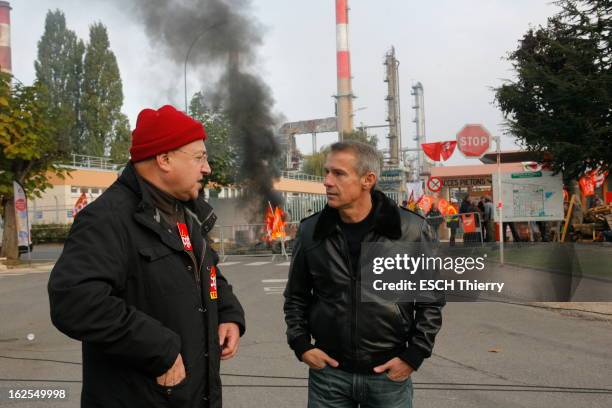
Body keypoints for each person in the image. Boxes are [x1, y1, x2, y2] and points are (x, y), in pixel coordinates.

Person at [48, 105, 245, 408]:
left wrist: (229, 312)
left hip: (193, 394)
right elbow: (75, 301)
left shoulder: (187, 214)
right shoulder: (107, 219)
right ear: (164, 159)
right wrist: (160, 349)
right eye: (199, 157)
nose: (206, 168)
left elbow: (207, 272)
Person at [283, 141, 444, 408]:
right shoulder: (311, 232)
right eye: (326, 172)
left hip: (388, 376)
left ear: (368, 179)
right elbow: (296, 297)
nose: (327, 181)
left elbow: (431, 300)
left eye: (338, 173)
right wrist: (301, 345)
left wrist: (413, 356)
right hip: (329, 376)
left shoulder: (412, 230)